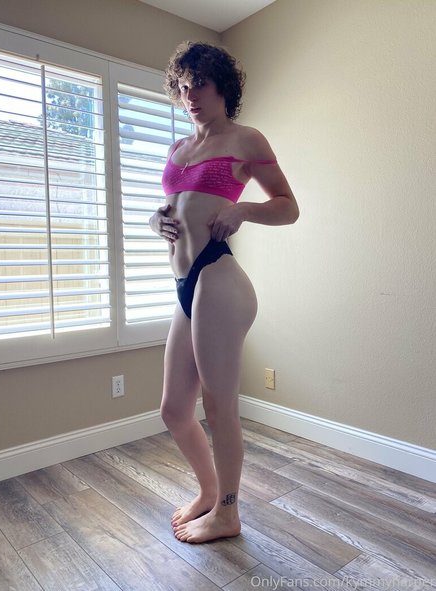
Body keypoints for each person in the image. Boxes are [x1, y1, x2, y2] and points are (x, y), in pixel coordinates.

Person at [149, 41, 299, 544]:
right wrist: (155, 220)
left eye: (201, 84)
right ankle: (210, 492)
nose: (190, 95)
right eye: (183, 86)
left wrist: (244, 211)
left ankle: (228, 513)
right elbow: (177, 207)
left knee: (218, 406)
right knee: (174, 409)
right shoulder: (177, 147)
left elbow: (288, 206)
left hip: (218, 277)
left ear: (223, 87)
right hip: (185, 285)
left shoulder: (245, 139)